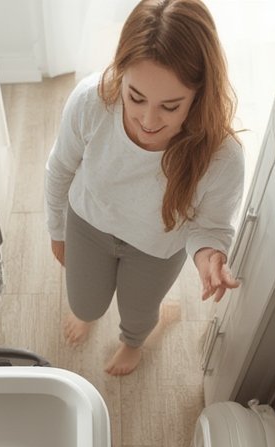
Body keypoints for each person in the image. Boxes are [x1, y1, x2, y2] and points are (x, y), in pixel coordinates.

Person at [45, 0, 244, 376]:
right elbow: (59, 169)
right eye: (135, 98)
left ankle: (135, 341)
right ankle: (97, 317)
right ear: (120, 72)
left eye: (170, 106)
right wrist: (57, 230)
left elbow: (211, 227)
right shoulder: (92, 101)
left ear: (200, 95)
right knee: (85, 305)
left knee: (138, 314)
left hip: (158, 247)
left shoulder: (223, 156)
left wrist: (209, 255)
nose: (148, 122)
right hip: (90, 223)